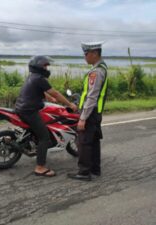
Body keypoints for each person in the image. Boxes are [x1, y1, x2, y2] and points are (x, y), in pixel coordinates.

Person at [15, 55, 78, 177]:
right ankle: (40, 167)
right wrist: (70, 104)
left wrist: (50, 98)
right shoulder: (39, 78)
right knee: (44, 137)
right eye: (45, 65)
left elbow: (41, 91)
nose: (47, 68)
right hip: (29, 111)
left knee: (41, 127)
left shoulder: (32, 77)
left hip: (21, 108)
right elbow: (55, 92)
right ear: (38, 66)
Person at [68, 41, 108, 181]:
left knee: (83, 142)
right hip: (96, 113)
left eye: (86, 54)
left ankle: (84, 173)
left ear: (95, 53)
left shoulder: (96, 72)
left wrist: (83, 118)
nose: (85, 57)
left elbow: (92, 97)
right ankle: (95, 169)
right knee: (94, 141)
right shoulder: (102, 68)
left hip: (90, 113)